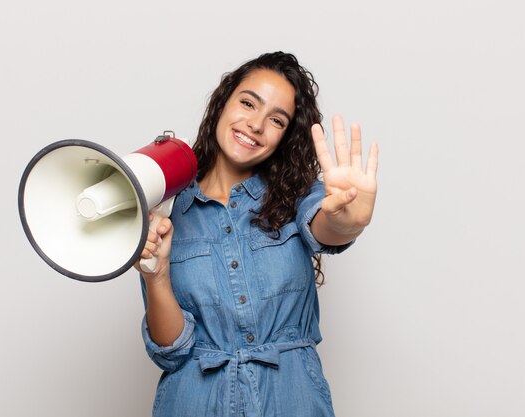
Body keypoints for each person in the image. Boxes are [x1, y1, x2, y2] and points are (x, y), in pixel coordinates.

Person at [135, 51, 379, 417]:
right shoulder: (166, 207)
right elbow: (171, 350)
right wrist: (157, 277)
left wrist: (350, 219)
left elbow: (327, 228)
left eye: (276, 120)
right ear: (223, 102)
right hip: (193, 403)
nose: (255, 124)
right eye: (248, 103)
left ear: (284, 136)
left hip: (291, 399)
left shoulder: (298, 195)